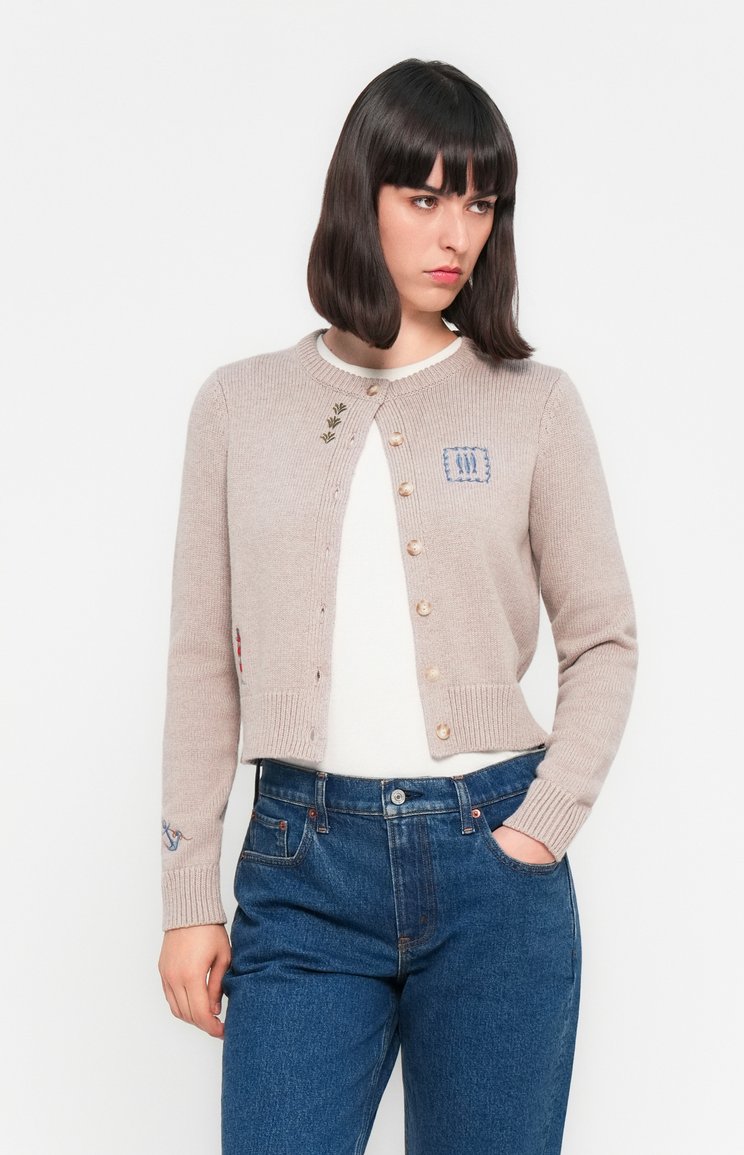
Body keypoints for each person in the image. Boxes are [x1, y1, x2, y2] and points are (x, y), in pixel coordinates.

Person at [158, 57, 638, 1155]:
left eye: (479, 203)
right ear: (359, 197)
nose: (455, 234)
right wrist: (188, 891)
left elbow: (604, 637)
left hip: (494, 873)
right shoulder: (238, 405)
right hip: (302, 866)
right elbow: (201, 659)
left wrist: (541, 825)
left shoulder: (535, 405)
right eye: (424, 198)